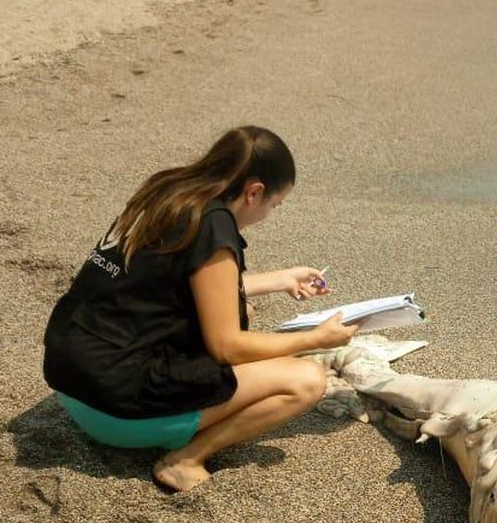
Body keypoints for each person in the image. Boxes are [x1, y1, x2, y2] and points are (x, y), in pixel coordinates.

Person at [43, 126, 358, 492]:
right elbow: (227, 347)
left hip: (72, 380)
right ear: (254, 192)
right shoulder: (215, 225)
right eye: (274, 204)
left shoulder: (168, 192)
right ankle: (185, 459)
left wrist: (281, 279)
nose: (269, 213)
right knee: (306, 380)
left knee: (244, 315)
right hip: (113, 411)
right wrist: (317, 338)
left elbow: (163, 284)